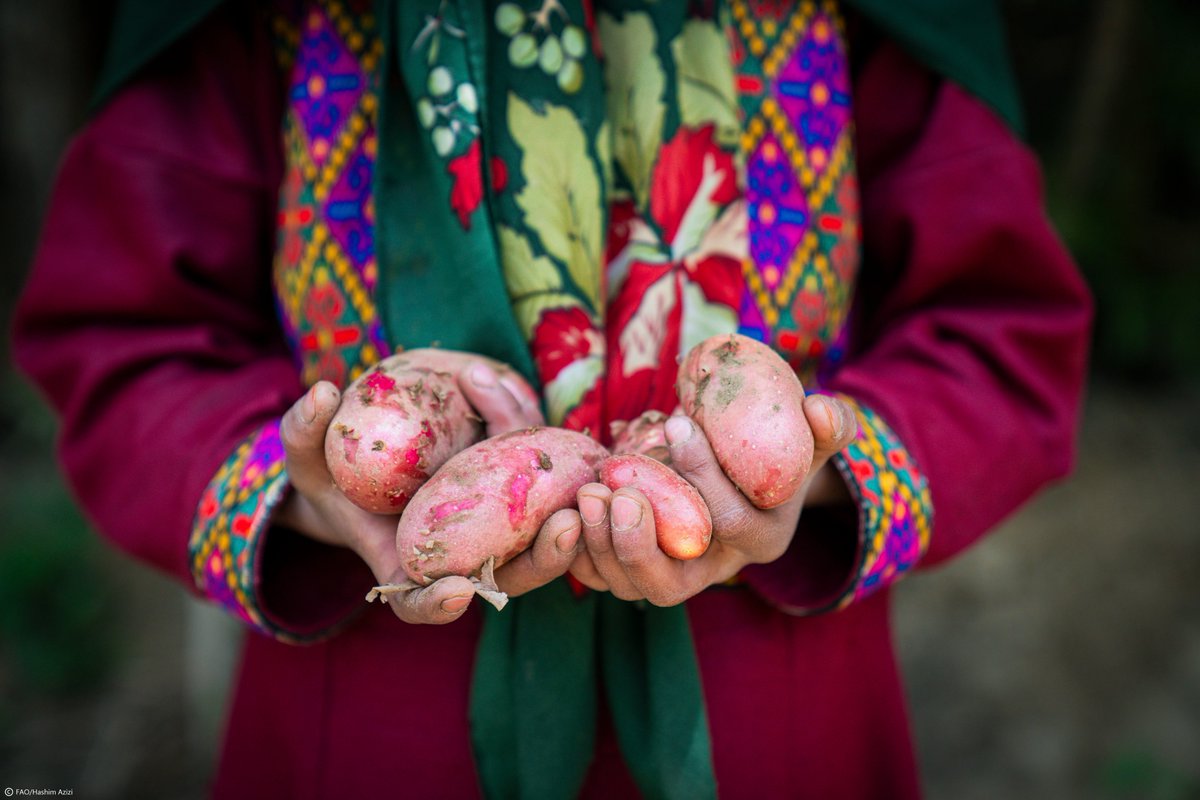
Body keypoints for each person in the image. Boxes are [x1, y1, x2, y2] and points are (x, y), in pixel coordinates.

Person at [13, 0, 1091, 797]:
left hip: (778, 723)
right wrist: (301, 493)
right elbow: (126, 336)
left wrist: (814, 474)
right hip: (376, 728)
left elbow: (1002, 336)